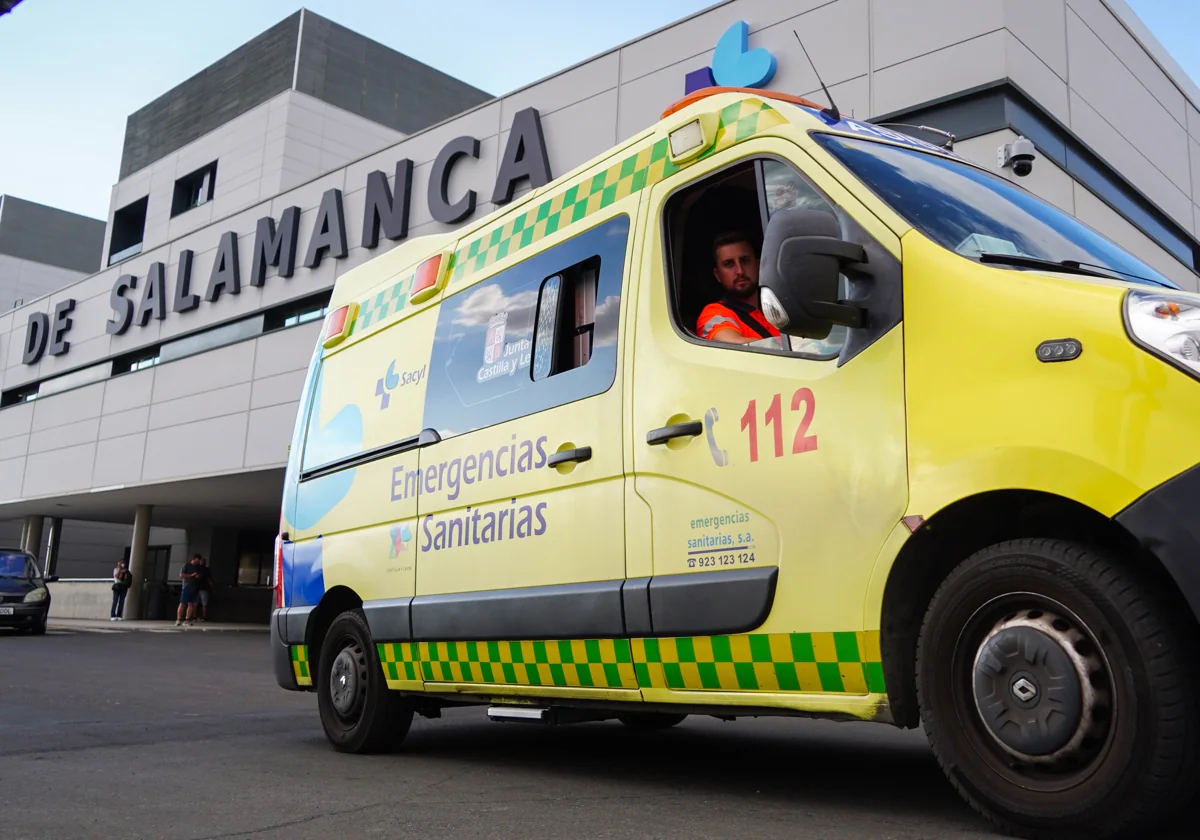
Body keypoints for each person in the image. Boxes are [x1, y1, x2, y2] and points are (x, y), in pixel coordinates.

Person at [695, 231, 784, 346]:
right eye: (729, 264)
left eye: (745, 261)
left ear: (757, 265)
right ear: (718, 275)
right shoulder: (714, 313)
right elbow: (734, 344)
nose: (740, 271)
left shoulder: (779, 305)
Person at [176, 554, 201, 627]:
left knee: (191, 604)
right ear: (194, 559)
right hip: (187, 586)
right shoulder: (186, 565)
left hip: (194, 587)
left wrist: (197, 576)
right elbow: (181, 575)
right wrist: (191, 575)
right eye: (197, 560)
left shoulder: (198, 567)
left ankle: (187, 619)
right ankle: (179, 619)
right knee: (183, 603)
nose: (198, 562)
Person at [193, 556, 212, 623]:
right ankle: (203, 617)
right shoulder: (206, 570)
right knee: (204, 603)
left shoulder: (196, 569)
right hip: (203, 587)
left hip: (197, 587)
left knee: (195, 603)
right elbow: (209, 579)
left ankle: (194, 616)